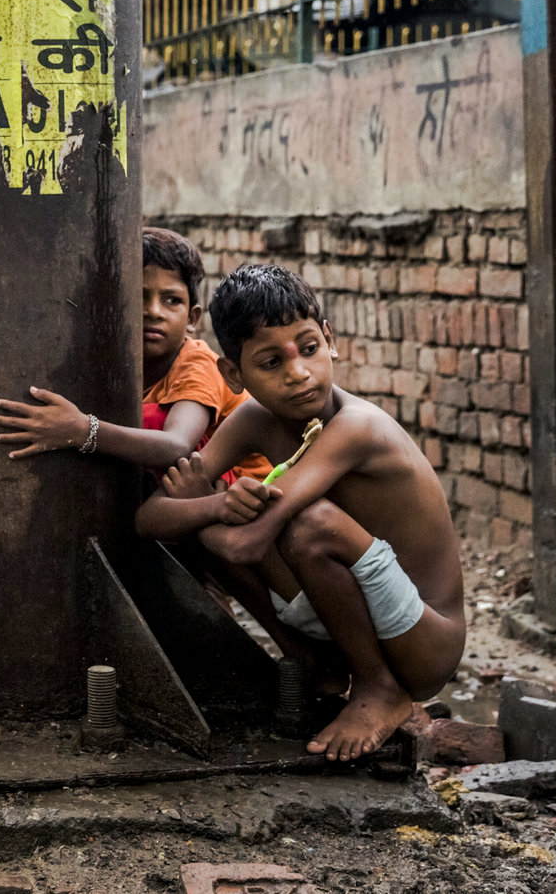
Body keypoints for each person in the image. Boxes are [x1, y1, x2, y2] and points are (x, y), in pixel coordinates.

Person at [136, 264, 466, 763]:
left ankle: (379, 689)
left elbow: (248, 541)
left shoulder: (357, 427)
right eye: (270, 362)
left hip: (424, 643)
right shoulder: (253, 420)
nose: (297, 373)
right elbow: (148, 519)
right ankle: (314, 662)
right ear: (234, 375)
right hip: (361, 614)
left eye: (307, 348)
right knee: (219, 509)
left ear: (329, 340)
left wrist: (205, 511)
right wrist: (211, 505)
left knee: (308, 524)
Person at [0, 227, 250, 471]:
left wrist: (80, 430)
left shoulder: (197, 363)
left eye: (172, 301)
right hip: (187, 488)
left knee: (148, 421)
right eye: (139, 297)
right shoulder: (115, 361)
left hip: (238, 491)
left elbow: (177, 445)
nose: (154, 312)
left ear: (192, 319)